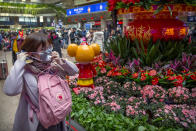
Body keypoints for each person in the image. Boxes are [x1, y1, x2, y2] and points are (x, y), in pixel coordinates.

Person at [3, 32, 79, 131]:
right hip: (37, 123)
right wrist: (19, 63)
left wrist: (60, 61)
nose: (47, 51)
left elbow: (74, 71)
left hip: (57, 118)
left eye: (49, 47)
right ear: (30, 52)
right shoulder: (25, 71)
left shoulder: (52, 65)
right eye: (42, 49)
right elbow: (10, 90)